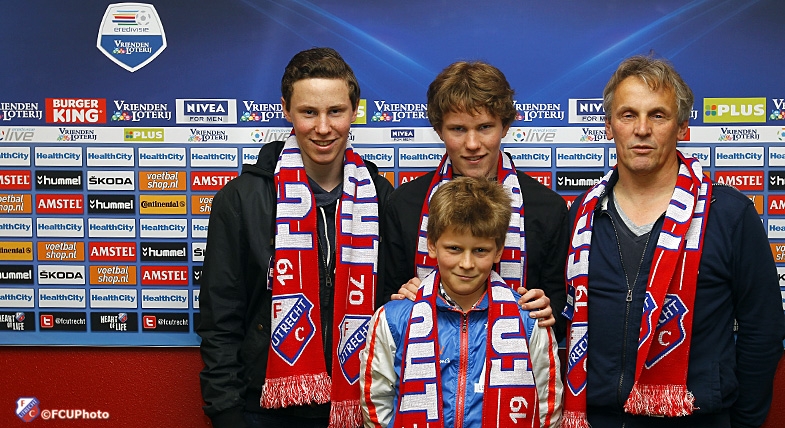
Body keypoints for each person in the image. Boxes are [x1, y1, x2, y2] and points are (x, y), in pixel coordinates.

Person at [561, 55, 785, 428]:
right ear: (608, 126)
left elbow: (762, 330)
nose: (642, 129)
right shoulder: (580, 216)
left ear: (682, 128)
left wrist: (743, 423)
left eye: (658, 115)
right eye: (628, 115)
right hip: (595, 419)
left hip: (697, 419)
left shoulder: (729, 215)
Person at [197, 47, 393, 428]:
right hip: (263, 407)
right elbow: (220, 318)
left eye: (335, 111)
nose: (323, 128)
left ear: (354, 112)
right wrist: (226, 411)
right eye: (309, 112)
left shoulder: (382, 198)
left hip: (363, 403)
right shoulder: (240, 199)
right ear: (287, 111)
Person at [380, 60, 569, 341]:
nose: (471, 144)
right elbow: (383, 305)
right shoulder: (404, 204)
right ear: (439, 130)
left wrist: (548, 310)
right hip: (425, 370)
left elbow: (563, 314)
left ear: (505, 126)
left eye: (484, 127)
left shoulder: (548, 208)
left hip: (517, 370)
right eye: (458, 129)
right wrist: (399, 299)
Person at [361, 176, 563, 427]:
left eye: (480, 250)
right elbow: (376, 405)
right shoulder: (393, 318)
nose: (466, 264)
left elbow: (546, 408)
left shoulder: (529, 319)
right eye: (454, 249)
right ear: (432, 245)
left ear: (498, 251)